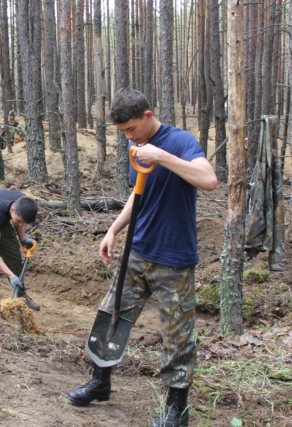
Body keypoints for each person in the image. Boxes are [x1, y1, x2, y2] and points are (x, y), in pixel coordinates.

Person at [66, 89, 217, 427]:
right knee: (111, 315)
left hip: (174, 258)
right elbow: (139, 196)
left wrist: (161, 156)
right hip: (137, 251)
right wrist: (113, 230)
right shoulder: (138, 147)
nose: (128, 138)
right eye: (123, 133)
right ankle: (100, 383)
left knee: (177, 335)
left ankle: (177, 411)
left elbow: (209, 180)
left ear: (148, 116)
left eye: (131, 129)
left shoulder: (179, 141)